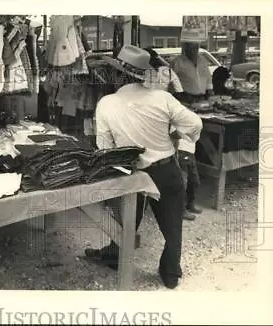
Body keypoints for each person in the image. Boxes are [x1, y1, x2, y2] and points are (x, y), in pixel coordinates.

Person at [84, 45, 203, 289]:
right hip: (166, 169)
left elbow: (105, 149)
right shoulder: (162, 98)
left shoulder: (106, 104)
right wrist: (178, 137)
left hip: (132, 172)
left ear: (117, 74)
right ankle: (170, 273)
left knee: (125, 223)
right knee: (172, 225)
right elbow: (195, 124)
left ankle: (115, 256)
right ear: (141, 74)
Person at [170, 42, 212, 220]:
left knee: (193, 179)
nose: (194, 49)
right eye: (190, 46)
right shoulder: (176, 63)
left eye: (196, 47)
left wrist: (208, 98)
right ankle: (180, 209)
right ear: (184, 47)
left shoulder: (202, 60)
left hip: (189, 146)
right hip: (181, 146)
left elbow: (208, 79)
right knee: (184, 179)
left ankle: (190, 203)